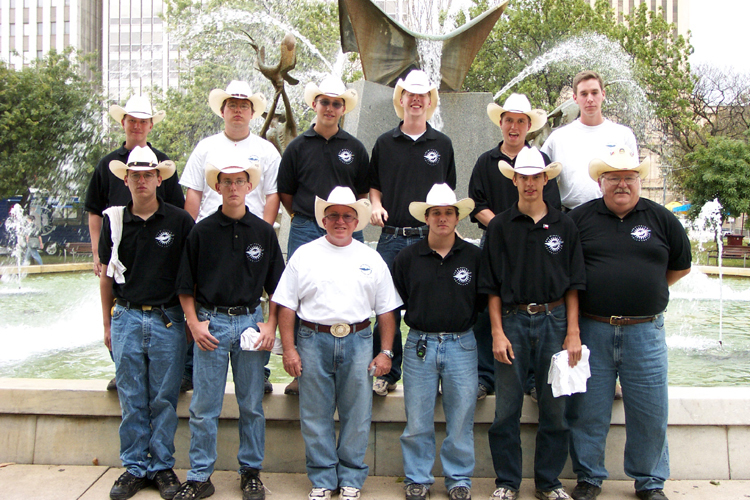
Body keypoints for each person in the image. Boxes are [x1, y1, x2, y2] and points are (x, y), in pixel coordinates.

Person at [566, 146, 691, 500]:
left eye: (629, 177)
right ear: (601, 182)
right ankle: (589, 477)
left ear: (640, 181)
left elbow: (680, 265)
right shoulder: (580, 220)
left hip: (645, 332)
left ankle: (650, 482)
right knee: (588, 409)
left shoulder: (662, 218)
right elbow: (569, 277)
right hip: (593, 329)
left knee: (650, 411)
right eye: (614, 177)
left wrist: (647, 290)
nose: (622, 184)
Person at [272, 187, 402, 500]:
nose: (340, 221)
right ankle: (322, 479)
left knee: (357, 414)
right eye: (333, 215)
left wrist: (386, 352)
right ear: (324, 220)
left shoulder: (371, 258)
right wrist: (288, 349)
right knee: (315, 414)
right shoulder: (305, 254)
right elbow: (286, 306)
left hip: (358, 340)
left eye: (347, 216)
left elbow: (386, 311)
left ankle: (351, 479)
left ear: (356, 221)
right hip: (312, 339)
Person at [174, 152, 285, 500]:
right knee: (205, 406)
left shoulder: (264, 233)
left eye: (240, 181)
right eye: (227, 182)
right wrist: (194, 325)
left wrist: (270, 325)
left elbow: (279, 289)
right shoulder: (201, 232)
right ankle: (199, 475)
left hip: (252, 324)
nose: (234, 187)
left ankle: (250, 472)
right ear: (218, 187)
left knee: (251, 403)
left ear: (249, 186)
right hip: (212, 325)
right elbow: (183, 286)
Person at [478, 147, 586, 500]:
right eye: (522, 177)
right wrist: (496, 332)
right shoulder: (500, 227)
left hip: (555, 323)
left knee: (555, 410)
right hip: (512, 322)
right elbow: (491, 287)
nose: (529, 183)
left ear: (544, 179)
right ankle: (507, 482)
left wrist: (573, 332)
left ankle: (548, 482)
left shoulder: (564, 225)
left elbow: (573, 285)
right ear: (515, 181)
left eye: (535, 176)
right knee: (506, 410)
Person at [98, 146, 194, 500]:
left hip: (167, 319)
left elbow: (190, 276)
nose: (141, 180)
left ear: (158, 179)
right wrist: (107, 325)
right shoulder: (114, 221)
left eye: (147, 175)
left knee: (164, 398)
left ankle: (162, 466)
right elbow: (107, 276)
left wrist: (190, 319)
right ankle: (134, 467)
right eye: (135, 175)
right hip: (125, 315)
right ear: (126, 179)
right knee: (132, 396)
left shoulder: (180, 221)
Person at [179, 80, 281, 394]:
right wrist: (190, 232)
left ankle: (257, 369)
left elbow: (273, 196)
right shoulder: (206, 147)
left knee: (254, 300)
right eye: (232, 105)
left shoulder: (265, 151)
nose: (238, 111)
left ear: (252, 112)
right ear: (223, 110)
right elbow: (193, 194)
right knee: (202, 296)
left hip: (252, 237)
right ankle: (190, 366)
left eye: (244, 106)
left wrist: (260, 234)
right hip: (211, 236)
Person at [277, 74, 369, 394]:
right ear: (315, 105)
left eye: (336, 103)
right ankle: (300, 370)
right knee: (301, 296)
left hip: (346, 228)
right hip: (305, 226)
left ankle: (347, 367)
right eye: (325, 102)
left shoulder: (355, 148)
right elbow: (286, 192)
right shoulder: (297, 147)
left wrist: (343, 221)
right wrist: (306, 218)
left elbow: (361, 194)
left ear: (343, 109)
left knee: (347, 291)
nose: (330, 108)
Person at [86, 94, 185, 392]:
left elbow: (178, 210)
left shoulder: (162, 162)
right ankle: (123, 370)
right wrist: (97, 253)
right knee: (119, 310)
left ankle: (170, 372)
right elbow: (94, 209)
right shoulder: (107, 164)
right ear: (123, 123)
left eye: (143, 121)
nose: (137, 126)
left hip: (156, 245)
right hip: (118, 243)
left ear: (151, 125)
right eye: (132, 121)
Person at [368, 69, 457, 396]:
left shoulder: (442, 144)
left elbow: (448, 195)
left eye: (422, 95)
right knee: (384, 306)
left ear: (429, 101)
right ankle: (386, 372)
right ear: (402, 100)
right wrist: (375, 205)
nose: (416, 100)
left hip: (427, 237)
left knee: (432, 304)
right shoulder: (384, 143)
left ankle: (436, 373)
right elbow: (373, 187)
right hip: (391, 236)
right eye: (410, 94)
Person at [392, 183, 482, 500]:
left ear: (457, 218)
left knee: (460, 420)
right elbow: (394, 304)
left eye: (448, 212)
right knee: (417, 419)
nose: (442, 218)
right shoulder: (406, 257)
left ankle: (459, 480)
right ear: (426, 218)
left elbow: (483, 305)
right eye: (436, 213)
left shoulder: (474, 257)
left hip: (462, 345)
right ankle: (417, 477)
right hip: (420, 345)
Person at [469, 93, 561, 400]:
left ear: (528, 126)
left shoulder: (541, 162)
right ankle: (486, 376)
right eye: (509, 120)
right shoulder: (486, 161)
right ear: (501, 122)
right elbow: (476, 204)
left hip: (536, 243)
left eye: (520, 121)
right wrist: (503, 227)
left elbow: (554, 206)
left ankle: (533, 378)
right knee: (487, 304)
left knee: (532, 305)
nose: (514, 126)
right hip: (496, 242)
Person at [540, 71, 638, 210]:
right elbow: (540, 177)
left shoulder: (623, 134)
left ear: (603, 94)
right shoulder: (558, 138)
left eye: (594, 92)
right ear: (575, 98)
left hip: (613, 215)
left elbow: (634, 179)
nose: (590, 99)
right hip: (572, 216)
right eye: (584, 94)